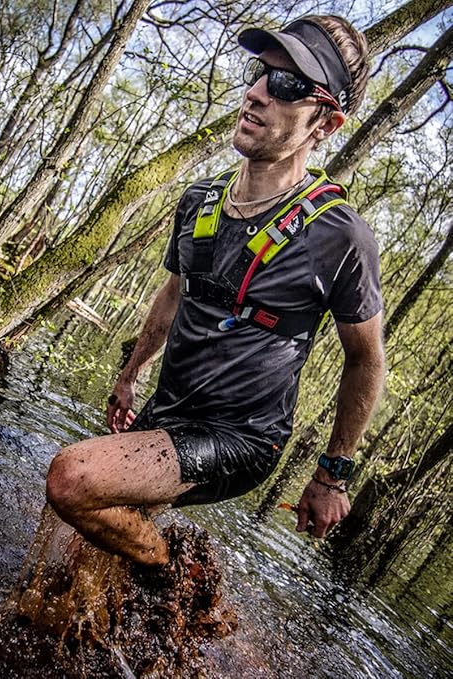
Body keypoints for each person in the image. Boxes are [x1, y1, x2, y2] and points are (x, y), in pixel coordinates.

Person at [46, 15, 385, 566]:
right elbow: (173, 294)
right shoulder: (200, 201)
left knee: (72, 478)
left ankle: (174, 571)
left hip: (240, 438)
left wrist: (332, 476)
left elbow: (366, 360)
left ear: (325, 123)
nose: (256, 93)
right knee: (90, 545)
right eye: (259, 74)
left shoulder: (341, 237)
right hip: (168, 411)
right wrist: (130, 375)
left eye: (286, 85)